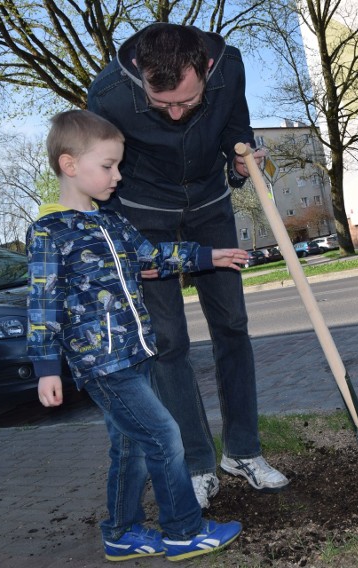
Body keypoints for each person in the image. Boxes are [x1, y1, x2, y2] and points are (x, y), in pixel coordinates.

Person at [27, 110, 248, 562]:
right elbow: (42, 305)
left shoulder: (113, 223)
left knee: (130, 445)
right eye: (108, 166)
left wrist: (209, 256)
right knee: (164, 435)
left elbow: (153, 258)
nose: (118, 175)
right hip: (102, 364)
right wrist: (47, 368)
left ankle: (121, 532)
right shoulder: (49, 232)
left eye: (118, 165)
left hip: (136, 353)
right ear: (70, 166)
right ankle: (184, 530)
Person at [87, 23, 289, 508]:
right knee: (168, 343)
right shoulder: (108, 96)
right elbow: (101, 180)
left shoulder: (231, 66)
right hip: (143, 219)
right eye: (164, 105)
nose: (176, 113)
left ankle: (242, 451)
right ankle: (197, 462)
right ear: (140, 74)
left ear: (206, 69)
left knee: (233, 327)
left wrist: (242, 161)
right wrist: (127, 248)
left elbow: (236, 131)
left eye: (187, 101)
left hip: (210, 206)